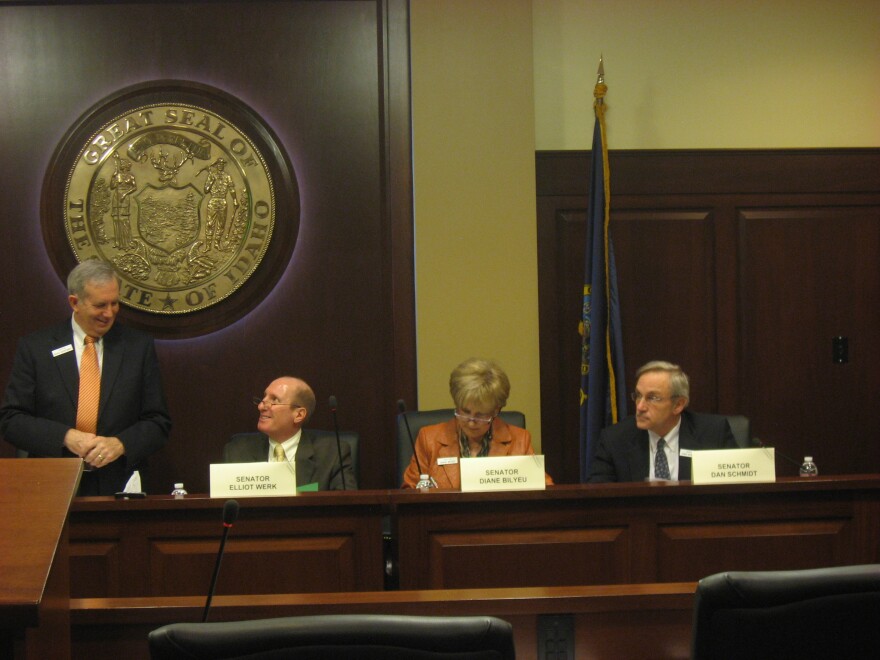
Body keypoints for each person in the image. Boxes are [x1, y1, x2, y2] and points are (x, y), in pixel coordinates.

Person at [0, 260, 172, 495]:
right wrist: (66, 437)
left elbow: (158, 422)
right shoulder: (36, 348)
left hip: (118, 485)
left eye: (114, 303)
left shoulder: (137, 348)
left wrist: (120, 444)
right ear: (75, 302)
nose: (109, 313)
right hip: (50, 485)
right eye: (100, 305)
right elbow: (11, 420)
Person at [402, 357, 553, 489]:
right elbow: (409, 494)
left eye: (480, 415)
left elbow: (544, 490)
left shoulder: (519, 440)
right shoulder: (429, 439)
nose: (471, 422)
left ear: (496, 410)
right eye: (465, 412)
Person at [587, 360, 737, 483]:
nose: (640, 407)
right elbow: (599, 497)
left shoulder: (713, 434)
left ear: (678, 405)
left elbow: (736, 491)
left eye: (652, 398)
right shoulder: (615, 439)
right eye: (638, 395)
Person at [223, 376, 357, 490]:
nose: (261, 406)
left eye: (274, 400)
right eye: (264, 399)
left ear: (299, 414)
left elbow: (347, 507)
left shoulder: (332, 453)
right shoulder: (237, 450)